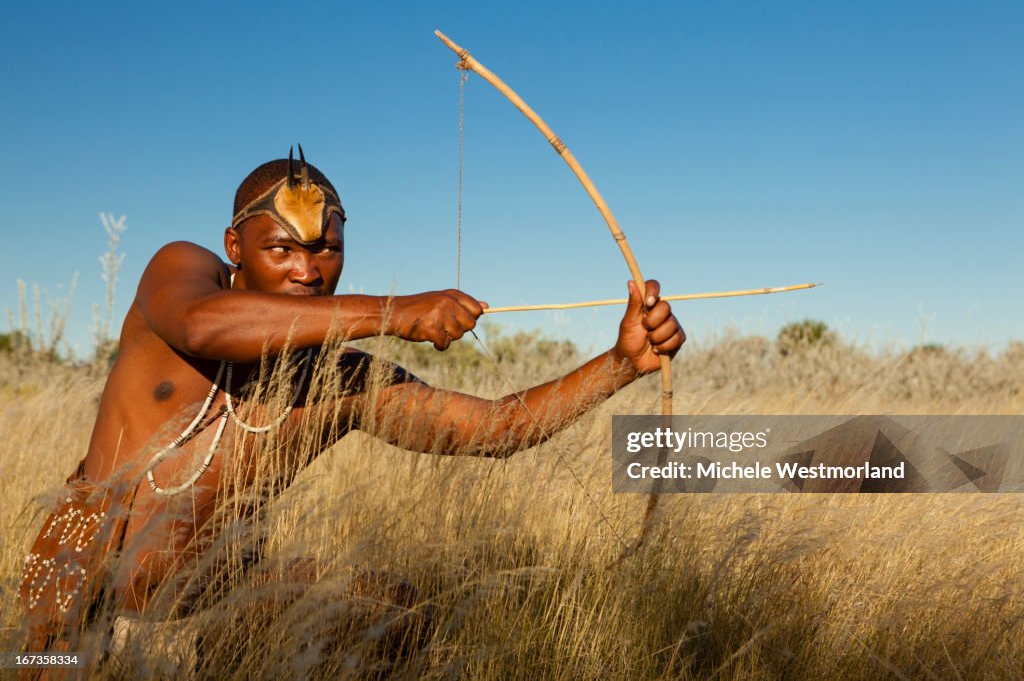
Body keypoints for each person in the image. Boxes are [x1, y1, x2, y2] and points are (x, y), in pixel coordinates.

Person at [19, 147, 685, 660]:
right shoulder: (184, 272)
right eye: (280, 248)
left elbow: (495, 428)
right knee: (45, 660)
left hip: (212, 590)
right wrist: (395, 313)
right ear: (234, 247)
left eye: (326, 249)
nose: (306, 270)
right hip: (85, 558)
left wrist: (621, 364)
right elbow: (200, 324)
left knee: (393, 609)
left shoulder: (340, 377)